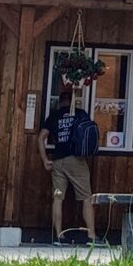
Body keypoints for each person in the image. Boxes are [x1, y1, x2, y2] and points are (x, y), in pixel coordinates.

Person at [40, 83, 101, 243]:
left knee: (58, 198)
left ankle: (59, 235)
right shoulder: (80, 114)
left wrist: (45, 159)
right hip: (76, 159)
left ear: (60, 102)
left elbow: (41, 138)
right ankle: (91, 235)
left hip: (58, 159)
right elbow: (89, 133)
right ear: (73, 101)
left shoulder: (54, 116)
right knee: (86, 198)